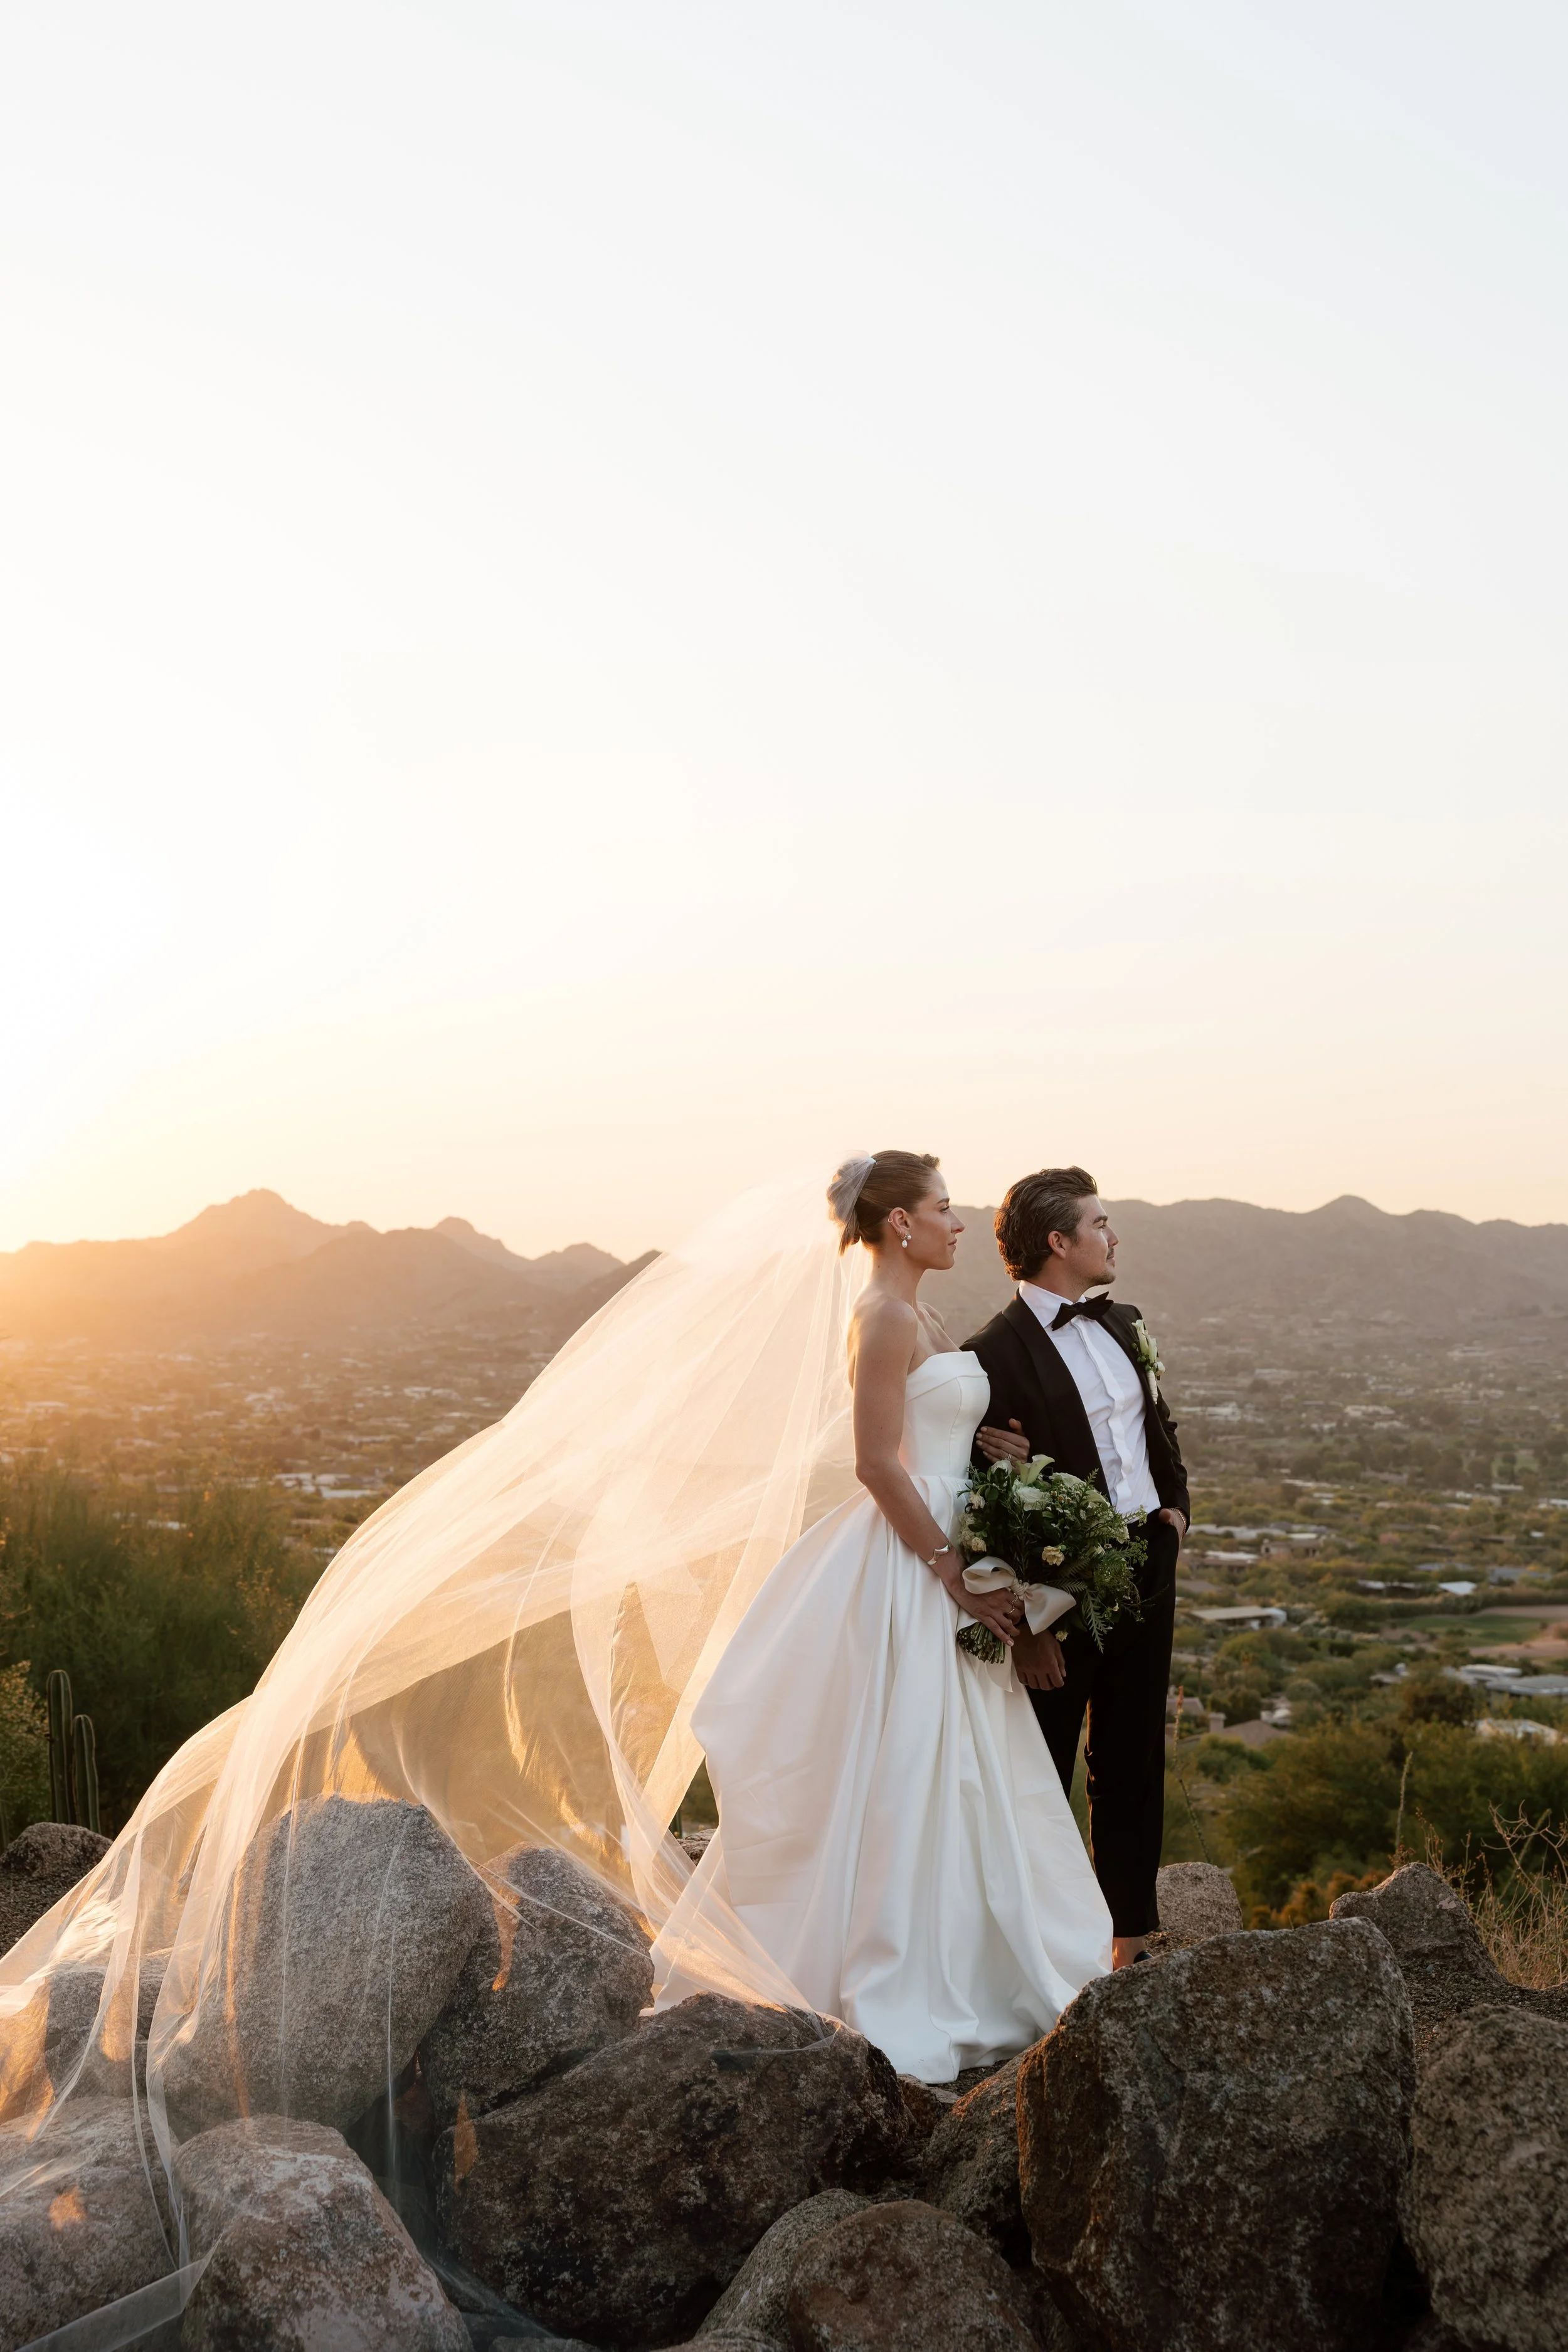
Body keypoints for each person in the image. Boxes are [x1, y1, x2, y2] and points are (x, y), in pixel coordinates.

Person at [689, 1150, 1112, 2081]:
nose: (960, 1224)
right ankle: (908, 1970)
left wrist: (986, 1442)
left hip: (946, 1531)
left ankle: (977, 1957)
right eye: (944, 1208)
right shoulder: (881, 1315)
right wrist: (953, 1571)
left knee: (962, 1756)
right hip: (914, 1559)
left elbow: (931, 1432)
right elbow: (876, 1462)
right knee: (913, 1754)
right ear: (898, 1225)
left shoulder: (917, 1310)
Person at [966, 1167, 1189, 1968]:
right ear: (1059, 1242)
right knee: (1044, 1766)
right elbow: (982, 1505)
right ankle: (1034, 1952)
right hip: (1058, 1593)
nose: (1112, 1235)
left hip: (1147, 1562)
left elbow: (1156, 1426)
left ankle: (1128, 1940)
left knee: (1132, 1756)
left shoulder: (1125, 1321)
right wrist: (1026, 1625)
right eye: (1099, 1223)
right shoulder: (990, 1355)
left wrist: (1176, 1509)